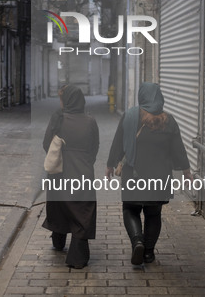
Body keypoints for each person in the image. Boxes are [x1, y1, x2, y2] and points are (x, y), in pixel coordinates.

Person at [106, 82, 192, 265]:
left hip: (134, 174)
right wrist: (186, 172)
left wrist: (110, 165)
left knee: (131, 209)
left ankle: (137, 241)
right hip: (159, 176)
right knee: (153, 214)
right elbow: (179, 149)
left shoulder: (130, 117)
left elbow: (118, 142)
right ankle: (148, 253)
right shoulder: (169, 120)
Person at [42, 84, 99, 269]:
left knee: (59, 206)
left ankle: (58, 241)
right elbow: (94, 148)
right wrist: (85, 161)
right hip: (82, 171)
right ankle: (77, 256)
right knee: (82, 211)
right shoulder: (90, 121)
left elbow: (46, 144)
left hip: (59, 172)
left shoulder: (58, 118)